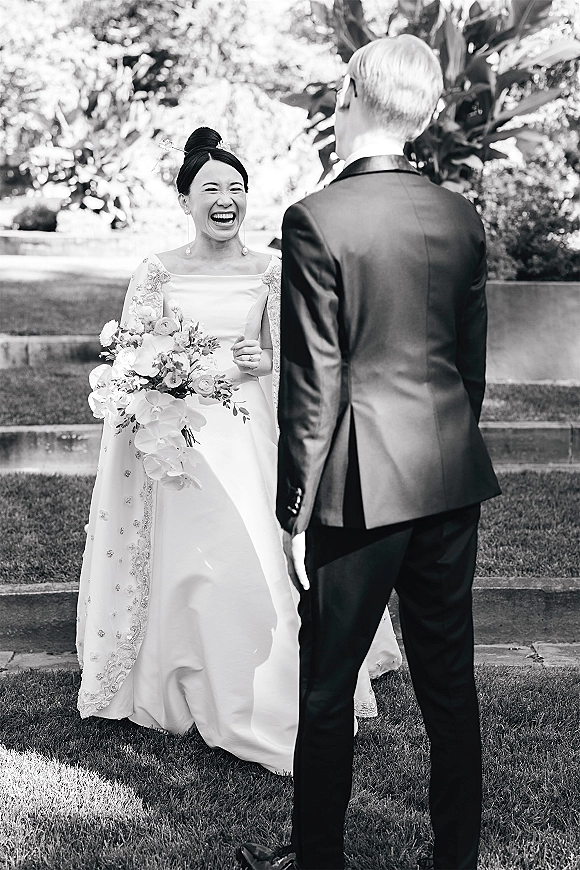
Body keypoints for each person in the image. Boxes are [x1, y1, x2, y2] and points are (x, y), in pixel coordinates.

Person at [237, 34, 501, 870]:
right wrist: (448, 447)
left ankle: (319, 859)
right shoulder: (460, 215)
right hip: (449, 475)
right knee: (449, 682)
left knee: (326, 687)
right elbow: (470, 366)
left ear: (349, 94)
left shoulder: (317, 218)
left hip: (358, 492)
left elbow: (312, 383)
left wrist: (293, 511)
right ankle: (455, 859)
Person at [76, 127, 401, 777]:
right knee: (188, 564)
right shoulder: (156, 270)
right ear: (185, 200)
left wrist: (265, 358)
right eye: (211, 188)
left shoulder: (271, 269)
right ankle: (181, 674)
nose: (226, 199)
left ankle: (270, 687)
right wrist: (160, 375)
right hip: (178, 435)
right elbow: (132, 354)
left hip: (251, 431)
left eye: (237, 188)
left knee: (256, 557)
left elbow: (299, 357)